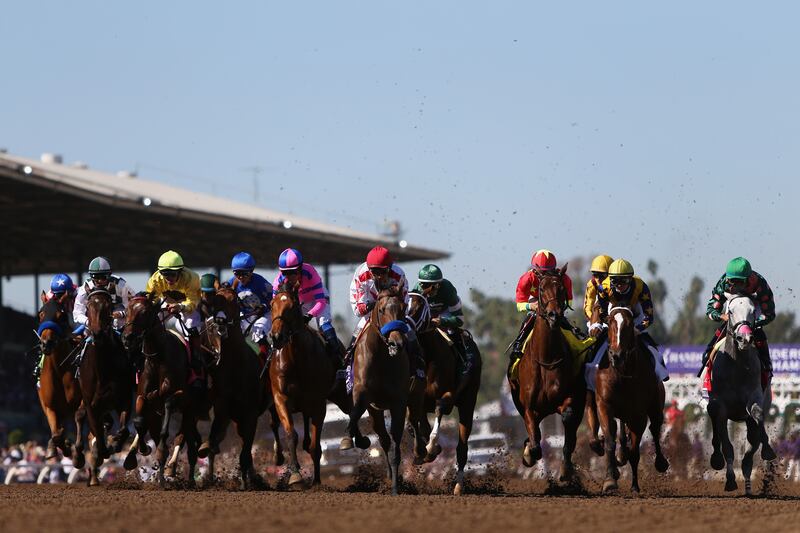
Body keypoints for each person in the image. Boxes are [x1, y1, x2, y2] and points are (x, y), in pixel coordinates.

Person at [347, 246, 424, 378]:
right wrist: (375, 305)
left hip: (391, 311)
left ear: (389, 268)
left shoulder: (399, 275)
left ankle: (417, 367)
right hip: (370, 311)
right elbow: (357, 309)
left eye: (382, 272)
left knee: (410, 333)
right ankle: (346, 368)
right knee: (355, 336)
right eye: (374, 271)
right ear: (368, 268)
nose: (378, 276)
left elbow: (403, 304)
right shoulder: (361, 274)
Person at [699, 257, 775, 387]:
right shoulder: (724, 282)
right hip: (733, 314)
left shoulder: (760, 284)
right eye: (730, 280)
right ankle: (707, 374)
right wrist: (722, 316)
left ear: (748, 279)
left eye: (737, 281)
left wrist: (751, 323)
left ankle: (766, 370)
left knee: (760, 339)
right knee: (708, 352)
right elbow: (710, 310)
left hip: (752, 313)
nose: (732, 284)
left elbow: (769, 314)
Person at [590, 258, 669, 382]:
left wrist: (636, 329)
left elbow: (649, 317)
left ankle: (660, 370)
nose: (620, 285)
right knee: (599, 344)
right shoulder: (603, 288)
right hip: (613, 314)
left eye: (624, 280)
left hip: (636, 313)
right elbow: (603, 312)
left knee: (649, 346)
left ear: (631, 279)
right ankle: (591, 368)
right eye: (615, 281)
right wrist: (611, 326)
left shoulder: (641, 287)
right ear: (610, 279)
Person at [272, 248, 345, 379]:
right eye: (284, 272)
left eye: (292, 272)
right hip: (297, 302)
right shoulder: (278, 283)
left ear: (300, 268)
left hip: (317, 300)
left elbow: (321, 302)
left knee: (324, 324)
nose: (288, 277)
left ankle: (340, 363)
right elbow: (276, 307)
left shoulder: (310, 272)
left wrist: (310, 315)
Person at [411, 264, 478, 392]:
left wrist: (442, 321)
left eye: (431, 286)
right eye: (424, 285)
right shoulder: (416, 291)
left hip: (445, 313)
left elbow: (459, 320)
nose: (427, 290)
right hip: (427, 314)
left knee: (453, 333)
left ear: (439, 284)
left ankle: (463, 363)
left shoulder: (448, 290)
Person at [144, 250, 205, 384]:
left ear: (180, 271)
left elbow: (193, 301)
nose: (168, 278)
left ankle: (195, 363)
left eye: (172, 274)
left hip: (186, 308)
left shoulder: (192, 278)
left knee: (191, 327)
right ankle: (140, 360)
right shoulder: (155, 279)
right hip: (165, 305)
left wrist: (180, 307)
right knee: (147, 324)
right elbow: (151, 301)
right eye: (165, 274)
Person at [509, 249, 574, 364]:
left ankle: (576, 338)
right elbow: (519, 305)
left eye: (549, 271)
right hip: (534, 300)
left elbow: (570, 302)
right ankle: (518, 343)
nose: (545, 275)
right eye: (542, 272)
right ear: (534, 269)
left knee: (561, 320)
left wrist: (559, 307)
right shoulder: (526, 279)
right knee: (532, 316)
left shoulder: (564, 279)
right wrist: (531, 306)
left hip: (555, 301)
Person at [73, 257, 134, 331]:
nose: (99, 281)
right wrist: (89, 322)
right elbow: (77, 314)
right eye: (95, 277)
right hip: (93, 325)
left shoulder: (121, 284)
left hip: (119, 324)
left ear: (109, 275)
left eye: (103, 277)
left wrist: (121, 314)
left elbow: (133, 307)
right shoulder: (85, 288)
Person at [227, 252, 273, 351]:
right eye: (237, 274)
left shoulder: (261, 283)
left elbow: (274, 300)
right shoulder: (232, 282)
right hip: (245, 314)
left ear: (251, 271)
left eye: (244, 274)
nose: (240, 277)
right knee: (231, 330)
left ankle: (264, 359)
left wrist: (264, 306)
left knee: (258, 332)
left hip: (263, 314)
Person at [583, 255, 614, 323]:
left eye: (602, 275)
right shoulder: (592, 284)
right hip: (600, 317)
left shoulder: (618, 284)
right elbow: (588, 307)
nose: (598, 279)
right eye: (595, 275)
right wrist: (594, 320)